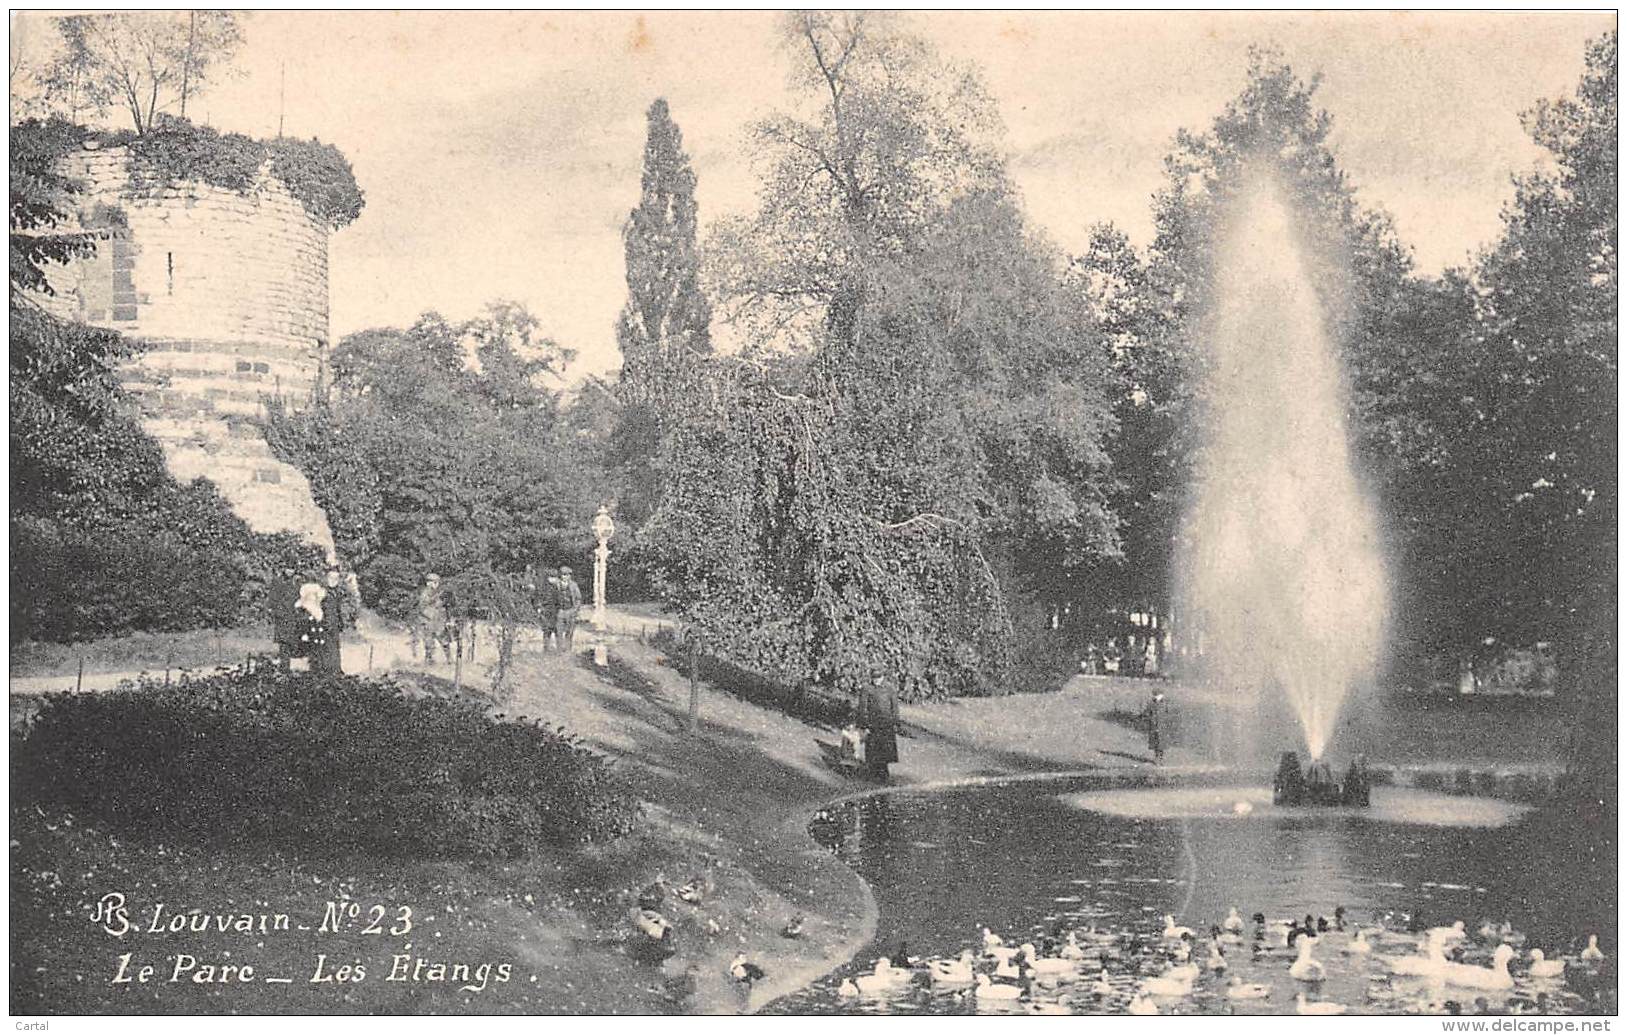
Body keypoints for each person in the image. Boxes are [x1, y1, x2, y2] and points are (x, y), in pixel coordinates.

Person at [859, 674, 900, 782]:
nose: (876, 680)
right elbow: (863, 708)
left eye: (878, 677)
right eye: (874, 677)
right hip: (872, 725)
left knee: (885, 751)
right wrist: (864, 725)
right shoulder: (867, 689)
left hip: (886, 725)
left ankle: (884, 775)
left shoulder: (890, 688)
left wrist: (896, 723)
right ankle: (872, 774)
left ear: (883, 676)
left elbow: (894, 707)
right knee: (872, 750)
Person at [313, 564, 348, 674]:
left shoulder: (337, 593)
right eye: (331, 578)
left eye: (336, 579)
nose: (333, 581)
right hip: (324, 624)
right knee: (325, 647)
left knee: (335, 647)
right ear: (327, 578)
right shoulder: (322, 591)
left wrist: (341, 622)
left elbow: (338, 609)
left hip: (334, 624)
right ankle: (325, 669)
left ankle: (336, 669)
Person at [268, 565, 301, 670]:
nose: (290, 571)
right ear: (284, 569)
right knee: (284, 644)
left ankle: (288, 666)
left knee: (292, 643)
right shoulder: (278, 582)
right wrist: (277, 613)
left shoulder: (296, 583)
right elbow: (272, 600)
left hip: (293, 618)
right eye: (288, 568)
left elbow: (299, 599)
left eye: (292, 569)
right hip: (282, 617)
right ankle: (284, 667)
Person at [412, 573, 448, 665]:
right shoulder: (425, 593)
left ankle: (449, 659)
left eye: (436, 583)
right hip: (428, 621)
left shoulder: (437, 593)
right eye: (433, 582)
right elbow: (423, 606)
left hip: (437, 621)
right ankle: (429, 660)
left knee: (443, 640)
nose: (435, 585)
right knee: (429, 642)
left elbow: (441, 607)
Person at [556, 565, 582, 652]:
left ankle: (568, 650)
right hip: (560, 611)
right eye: (563, 575)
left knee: (569, 632)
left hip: (570, 610)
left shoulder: (574, 585)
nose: (565, 577)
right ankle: (559, 650)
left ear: (570, 576)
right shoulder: (556, 585)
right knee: (559, 632)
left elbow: (578, 598)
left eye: (567, 575)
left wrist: (575, 609)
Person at [536, 569, 561, 652]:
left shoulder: (558, 587)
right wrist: (540, 608)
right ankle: (546, 648)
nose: (554, 579)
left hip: (555, 611)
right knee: (547, 630)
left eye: (555, 577)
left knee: (557, 630)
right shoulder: (545, 587)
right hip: (547, 611)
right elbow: (540, 598)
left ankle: (559, 648)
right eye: (552, 577)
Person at [1141, 689, 1167, 764]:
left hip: (1162, 726)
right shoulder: (1151, 704)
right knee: (1155, 743)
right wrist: (1149, 719)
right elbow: (1146, 713)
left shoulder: (1165, 703)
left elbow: (1168, 713)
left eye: (1160, 695)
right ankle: (1156, 758)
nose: (1158, 697)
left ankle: (1161, 759)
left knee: (1162, 743)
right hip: (1153, 726)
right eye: (1156, 695)